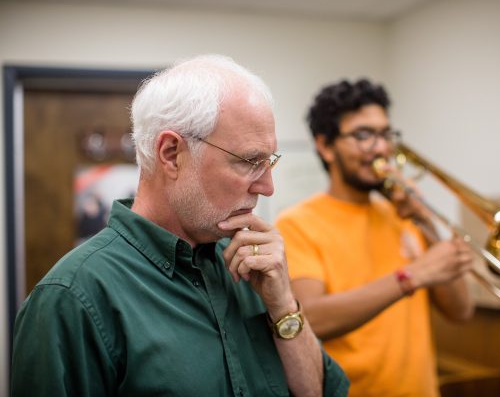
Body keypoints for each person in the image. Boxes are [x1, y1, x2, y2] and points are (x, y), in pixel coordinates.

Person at [11, 55, 349, 397]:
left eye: (269, 161)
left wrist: (283, 308)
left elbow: (318, 392)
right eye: (250, 162)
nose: (267, 187)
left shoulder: (251, 267)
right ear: (172, 153)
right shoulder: (72, 299)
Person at [275, 79, 475, 397]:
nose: (381, 148)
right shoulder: (296, 224)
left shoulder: (402, 216)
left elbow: (461, 311)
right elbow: (310, 318)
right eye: (363, 135)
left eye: (385, 134)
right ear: (326, 146)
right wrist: (411, 277)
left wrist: (425, 221)